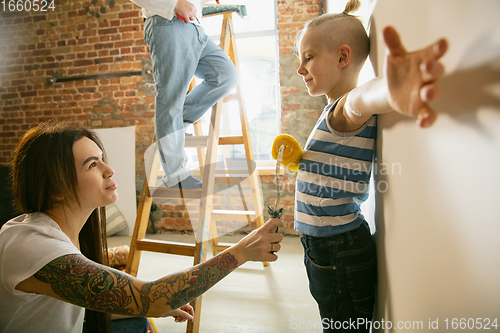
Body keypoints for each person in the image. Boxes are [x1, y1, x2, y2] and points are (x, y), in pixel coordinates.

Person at [0, 121, 283, 333]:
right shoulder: (32, 244)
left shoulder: (63, 234)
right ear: (56, 189)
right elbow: (150, 297)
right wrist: (242, 251)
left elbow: (104, 296)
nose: (109, 170)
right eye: (91, 165)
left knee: (137, 320)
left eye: (102, 159)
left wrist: (145, 304)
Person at [294, 0, 447, 331]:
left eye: (308, 58)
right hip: (326, 247)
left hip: (338, 250)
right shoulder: (331, 111)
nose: (299, 68)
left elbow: (362, 99)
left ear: (343, 57)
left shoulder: (345, 106)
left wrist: (390, 90)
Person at [130, 0, 239, 190]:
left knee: (226, 75)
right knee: (171, 97)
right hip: (168, 21)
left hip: (195, 27)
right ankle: (176, 175)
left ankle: (177, 124)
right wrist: (173, 3)